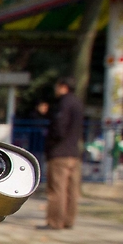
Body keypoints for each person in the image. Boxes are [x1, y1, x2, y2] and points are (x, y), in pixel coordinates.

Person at [44, 76, 84, 230]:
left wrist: (52, 142)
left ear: (63, 87)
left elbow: (59, 128)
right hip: (74, 152)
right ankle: (69, 220)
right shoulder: (78, 103)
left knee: (57, 189)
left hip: (60, 152)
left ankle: (55, 221)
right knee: (72, 190)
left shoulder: (63, 103)